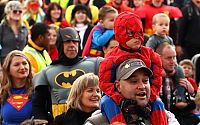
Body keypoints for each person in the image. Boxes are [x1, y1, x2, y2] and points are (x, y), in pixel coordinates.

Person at [98, 11, 167, 124]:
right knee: (106, 101)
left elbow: (156, 79)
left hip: (146, 98)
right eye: (131, 33)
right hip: (117, 98)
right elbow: (105, 83)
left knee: (158, 102)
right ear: (120, 33)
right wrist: (121, 100)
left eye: (139, 32)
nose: (136, 37)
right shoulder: (112, 57)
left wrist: (150, 96)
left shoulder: (150, 54)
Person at [31, 27, 103, 122]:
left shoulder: (95, 64)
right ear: (60, 44)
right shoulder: (47, 72)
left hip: (93, 118)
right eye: (67, 42)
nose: (72, 45)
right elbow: (38, 103)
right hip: (61, 120)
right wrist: (42, 121)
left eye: (75, 41)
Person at [87, 59, 167, 125]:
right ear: (118, 86)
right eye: (134, 81)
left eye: (145, 81)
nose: (142, 86)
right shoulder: (96, 122)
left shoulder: (167, 118)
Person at [157, 44, 200, 125]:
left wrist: (192, 93)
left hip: (181, 119)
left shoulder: (182, 78)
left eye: (174, 57)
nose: (173, 61)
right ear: (159, 58)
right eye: (169, 58)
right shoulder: (152, 78)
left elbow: (194, 106)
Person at [0, 50, 33, 125]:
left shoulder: (38, 90)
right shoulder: (2, 92)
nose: (22, 67)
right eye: (16, 65)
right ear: (8, 70)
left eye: (25, 63)